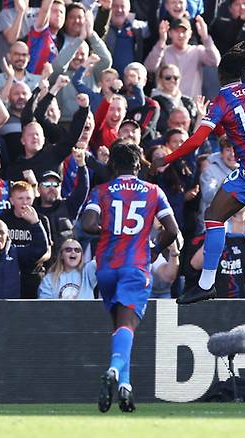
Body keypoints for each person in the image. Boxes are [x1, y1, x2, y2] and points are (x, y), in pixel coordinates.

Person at [155, 33, 245, 305]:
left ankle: (207, 283)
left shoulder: (221, 100)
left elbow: (199, 139)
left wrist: (168, 158)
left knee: (213, 217)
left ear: (221, 75)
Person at [81, 143, 180, 413]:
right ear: (139, 166)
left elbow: (88, 224)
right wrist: (155, 248)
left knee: (121, 329)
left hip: (106, 268)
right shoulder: (153, 192)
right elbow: (171, 229)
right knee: (127, 325)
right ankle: (113, 370)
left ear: (112, 165)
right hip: (135, 266)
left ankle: (125, 387)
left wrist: (110, 231)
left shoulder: (101, 191)